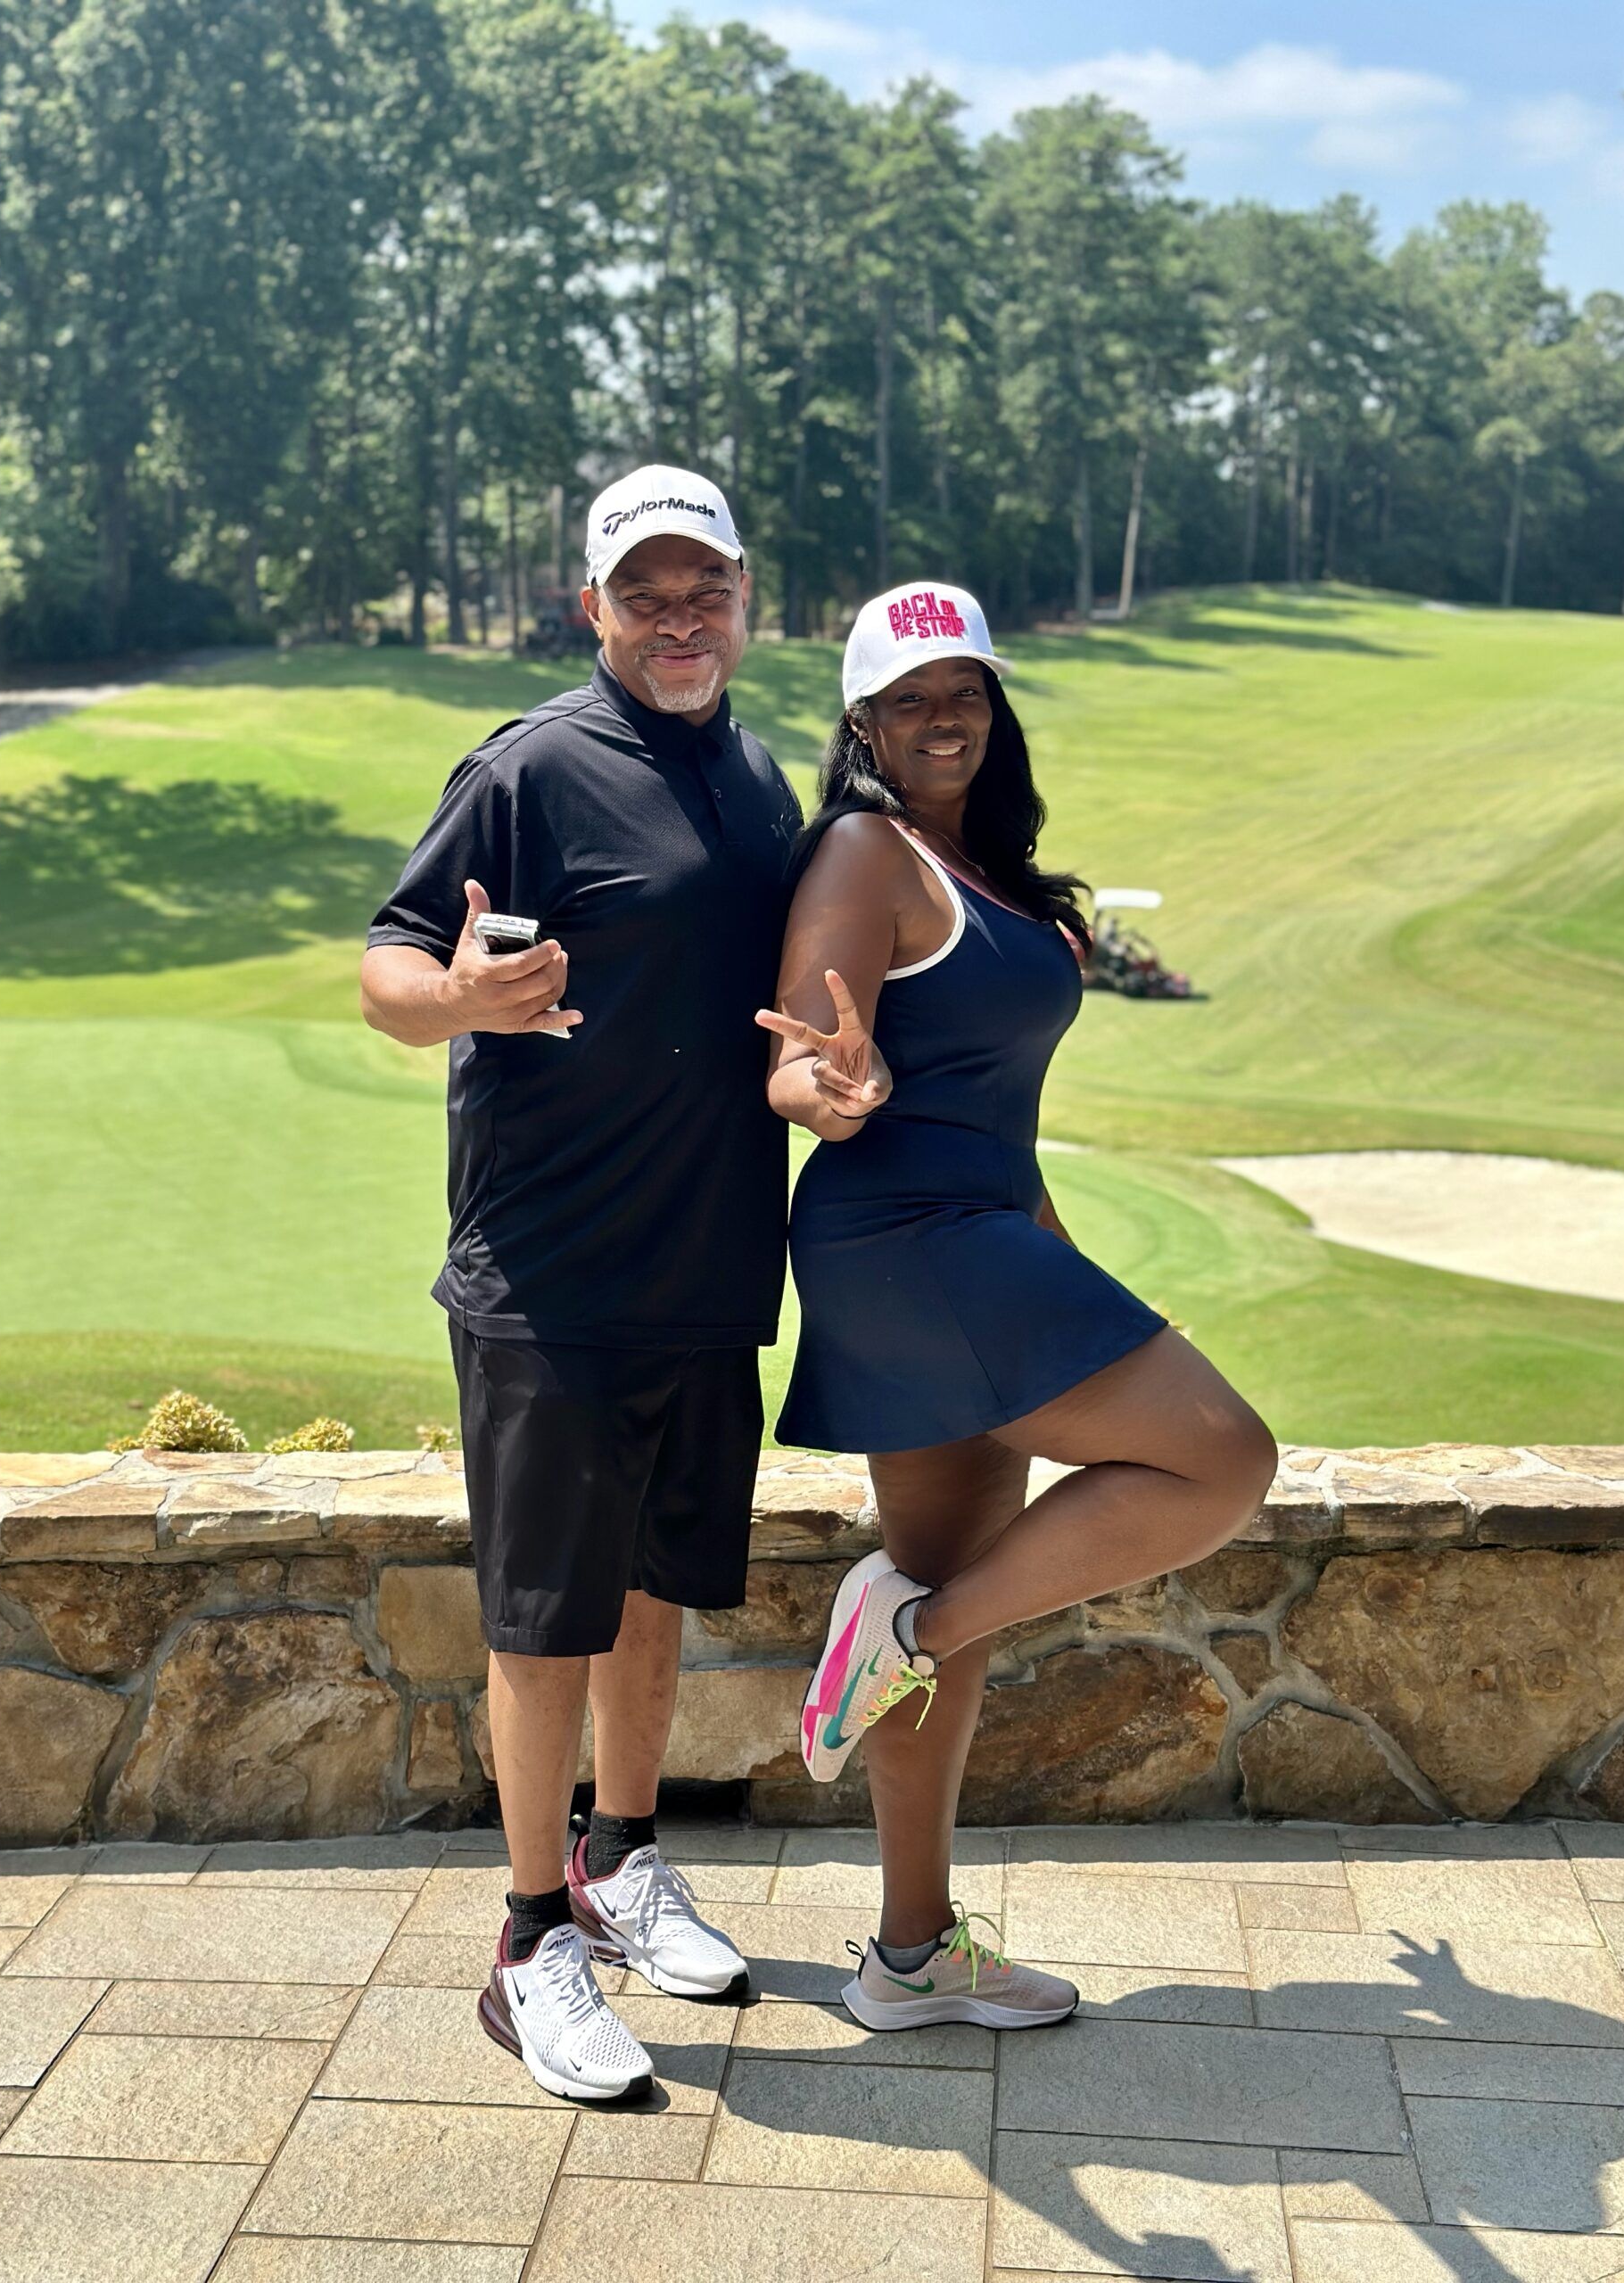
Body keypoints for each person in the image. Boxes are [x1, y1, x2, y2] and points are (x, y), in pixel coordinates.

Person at [756, 581, 1278, 2032]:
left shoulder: (985, 870)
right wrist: (831, 1090)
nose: (944, 718)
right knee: (1226, 1459)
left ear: (995, 706)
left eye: (965, 691)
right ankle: (906, 1634)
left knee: (960, 1593)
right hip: (904, 1238)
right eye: (910, 699)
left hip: (983, 1233)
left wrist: (1071, 1267)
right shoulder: (865, 849)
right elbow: (796, 1055)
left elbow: (1003, 1118)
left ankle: (909, 1956)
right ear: (863, 724)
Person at [361, 466, 803, 2101]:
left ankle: (622, 1860)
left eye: (706, 591)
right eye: (646, 595)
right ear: (592, 608)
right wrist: (460, 1001)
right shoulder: (531, 766)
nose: (680, 621)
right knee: (545, 1622)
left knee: (652, 1593)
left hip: (706, 1261)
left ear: (744, 598)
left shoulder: (757, 777)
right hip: (550, 1275)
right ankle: (528, 1940)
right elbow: (389, 969)